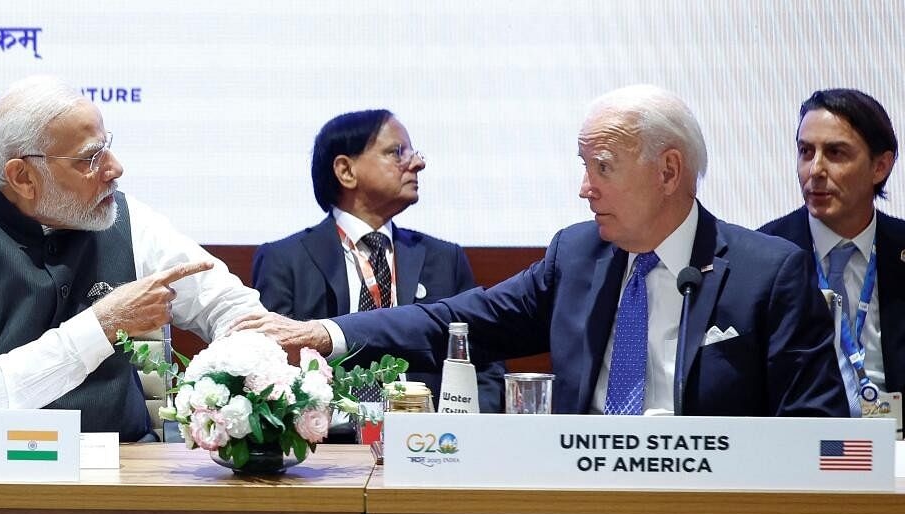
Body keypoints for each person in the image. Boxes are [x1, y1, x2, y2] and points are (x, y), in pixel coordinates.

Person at [235, 85, 849, 416]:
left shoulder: (768, 273)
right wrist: (325, 333)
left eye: (601, 168)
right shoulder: (578, 255)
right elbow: (459, 319)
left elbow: (818, 433)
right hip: (574, 508)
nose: (585, 189)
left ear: (668, 171)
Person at [0, 75, 265, 440]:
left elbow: (230, 306)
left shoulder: (124, 217)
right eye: (90, 158)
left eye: (106, 147)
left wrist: (231, 381)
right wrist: (102, 325)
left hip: (124, 468)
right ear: (23, 177)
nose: (115, 168)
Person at [251, 109, 506, 415]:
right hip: (326, 448)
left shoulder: (444, 259)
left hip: (432, 443)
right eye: (396, 152)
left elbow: (485, 365)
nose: (418, 162)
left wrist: (467, 436)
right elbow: (271, 368)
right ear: (346, 170)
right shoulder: (285, 260)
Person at [760, 88, 903, 410]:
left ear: (880, 166)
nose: (815, 170)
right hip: (795, 442)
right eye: (805, 152)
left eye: (836, 153)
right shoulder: (762, 255)